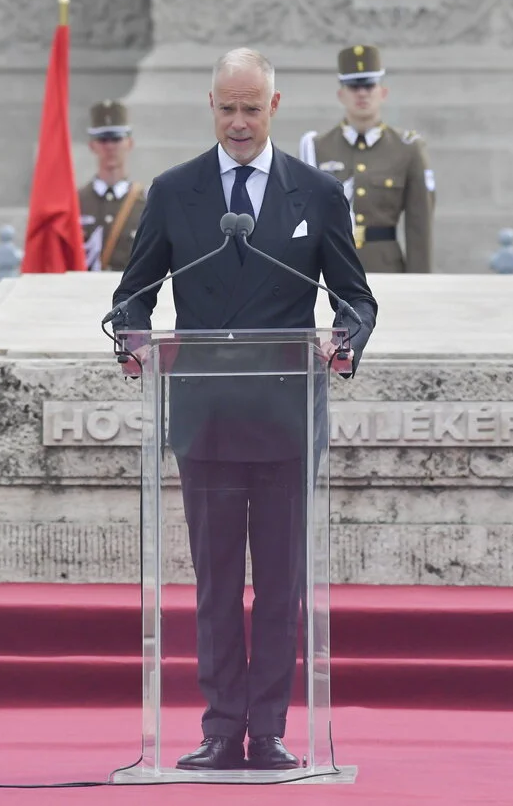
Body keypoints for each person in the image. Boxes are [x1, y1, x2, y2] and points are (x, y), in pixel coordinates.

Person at [111, 48, 377, 771]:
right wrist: (131, 334)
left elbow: (354, 296)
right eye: (226, 108)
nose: (237, 121)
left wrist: (346, 337)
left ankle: (271, 730)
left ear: (275, 106)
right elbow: (136, 291)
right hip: (205, 417)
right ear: (211, 105)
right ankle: (221, 729)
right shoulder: (173, 191)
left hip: (287, 417)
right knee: (217, 585)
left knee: (281, 584)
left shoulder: (316, 194)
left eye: (250, 109)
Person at [298, 44, 434, 273]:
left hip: (387, 270)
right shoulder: (317, 147)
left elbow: (419, 226)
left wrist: (419, 283)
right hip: (334, 269)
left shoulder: (408, 148)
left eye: (369, 85)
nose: (362, 93)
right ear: (341, 94)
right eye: (353, 86)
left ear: (383, 92)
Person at [79, 99, 146, 271]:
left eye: (116, 139)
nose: (110, 146)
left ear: (129, 143)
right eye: (103, 139)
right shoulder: (76, 203)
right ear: (92, 145)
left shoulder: (147, 204)